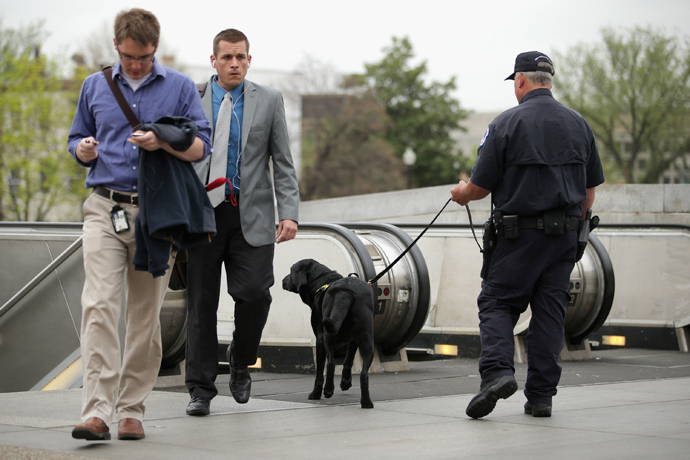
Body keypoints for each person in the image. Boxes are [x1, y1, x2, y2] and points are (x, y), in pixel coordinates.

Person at [67, 8, 212, 441]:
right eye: (130, 57)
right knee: (98, 307)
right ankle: (95, 411)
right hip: (103, 208)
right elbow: (76, 139)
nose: (136, 65)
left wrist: (164, 140)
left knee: (145, 318)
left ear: (155, 49)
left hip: (157, 216)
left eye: (144, 58)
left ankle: (131, 409)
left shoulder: (181, 87)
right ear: (117, 46)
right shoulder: (94, 86)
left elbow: (200, 147)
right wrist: (84, 151)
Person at [450, 51, 604, 419]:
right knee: (549, 313)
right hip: (565, 238)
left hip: (518, 238)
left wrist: (461, 193)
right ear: (548, 81)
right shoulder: (579, 124)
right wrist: (573, 229)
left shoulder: (506, 123)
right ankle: (541, 397)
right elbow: (589, 194)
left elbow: (480, 188)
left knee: (497, 303)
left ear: (520, 80)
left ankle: (498, 375)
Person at [185, 28, 299, 416]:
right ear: (213, 60)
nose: (234, 63)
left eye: (241, 57)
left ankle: (240, 358)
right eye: (227, 57)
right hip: (201, 215)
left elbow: (282, 160)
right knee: (200, 303)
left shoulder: (268, 100)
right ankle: (200, 389)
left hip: (251, 213)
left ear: (249, 60)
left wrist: (289, 212)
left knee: (254, 294)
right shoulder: (192, 99)